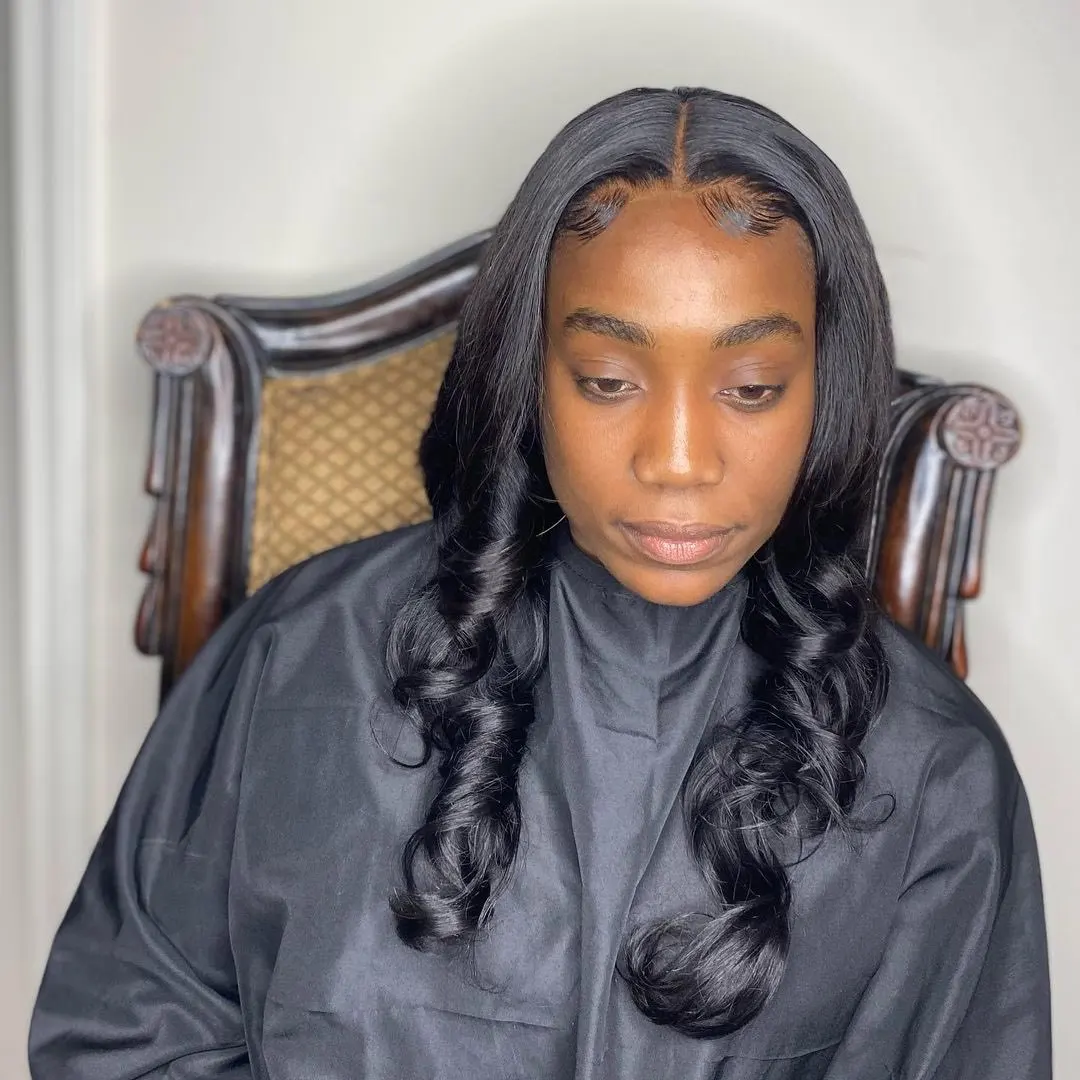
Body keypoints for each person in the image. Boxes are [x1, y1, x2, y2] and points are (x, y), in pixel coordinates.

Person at [29, 87, 1051, 1079]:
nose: (678, 460)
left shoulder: (936, 771)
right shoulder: (297, 659)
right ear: (529, 371)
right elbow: (125, 1034)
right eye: (608, 380)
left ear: (826, 391)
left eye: (751, 389)